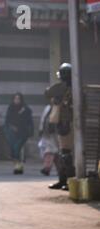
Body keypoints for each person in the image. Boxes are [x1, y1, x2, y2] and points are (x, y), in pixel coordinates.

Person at [45, 63, 75, 191]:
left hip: (69, 124)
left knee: (67, 155)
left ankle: (70, 181)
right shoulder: (60, 90)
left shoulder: (74, 90)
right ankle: (63, 180)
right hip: (61, 123)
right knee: (61, 155)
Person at [3, 93, 34, 174]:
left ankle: (18, 166)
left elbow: (29, 122)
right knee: (13, 149)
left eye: (18, 99)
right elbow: (7, 120)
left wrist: (30, 132)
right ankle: (18, 166)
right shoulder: (11, 108)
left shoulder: (26, 109)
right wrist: (9, 128)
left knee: (17, 148)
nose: (17, 100)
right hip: (11, 132)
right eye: (15, 98)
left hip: (22, 133)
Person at [38, 103, 59, 176]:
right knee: (49, 152)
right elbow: (43, 119)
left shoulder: (59, 107)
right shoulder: (48, 107)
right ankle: (47, 168)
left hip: (56, 133)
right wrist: (41, 129)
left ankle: (56, 169)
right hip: (47, 133)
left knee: (55, 152)